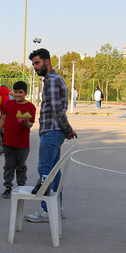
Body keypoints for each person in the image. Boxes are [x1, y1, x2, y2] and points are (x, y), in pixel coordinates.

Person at [24, 48, 78, 223]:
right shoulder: (53, 79)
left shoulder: (52, 81)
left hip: (51, 131)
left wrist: (67, 129)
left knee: (45, 171)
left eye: (37, 63)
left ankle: (47, 210)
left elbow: (57, 110)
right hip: (54, 131)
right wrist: (66, 130)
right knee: (54, 172)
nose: (35, 67)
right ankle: (57, 208)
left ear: (47, 62)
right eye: (33, 64)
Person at [0, 81, 36, 199]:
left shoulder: (30, 107)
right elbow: (2, 119)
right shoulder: (9, 104)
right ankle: (8, 187)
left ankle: (21, 187)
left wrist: (25, 122)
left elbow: (30, 124)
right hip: (8, 141)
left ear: (25, 93)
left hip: (22, 143)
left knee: (21, 166)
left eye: (20, 92)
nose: (17, 95)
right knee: (8, 165)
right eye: (16, 92)